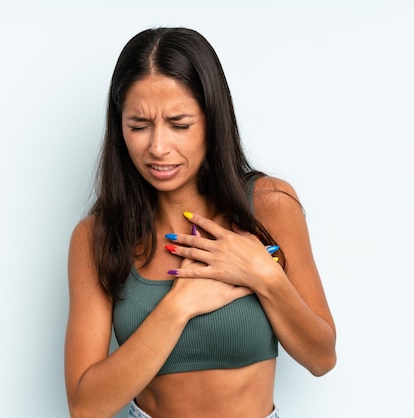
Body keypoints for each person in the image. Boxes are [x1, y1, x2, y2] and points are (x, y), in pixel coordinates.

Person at [64, 27, 336, 418]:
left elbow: (321, 358)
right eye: (139, 126)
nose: (158, 147)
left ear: (213, 119)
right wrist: (179, 305)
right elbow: (86, 406)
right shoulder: (97, 237)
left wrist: (264, 274)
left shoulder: (270, 205)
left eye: (179, 124)